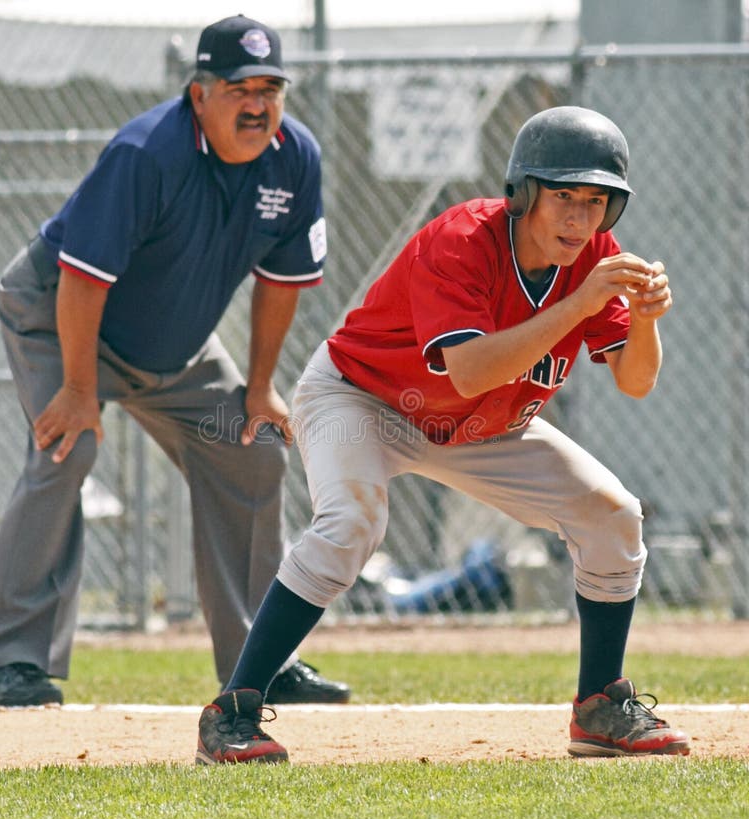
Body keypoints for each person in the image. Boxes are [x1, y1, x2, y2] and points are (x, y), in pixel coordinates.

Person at [195, 105, 691, 764]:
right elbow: (468, 368)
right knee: (351, 524)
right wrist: (581, 303)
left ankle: (600, 705)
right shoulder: (461, 240)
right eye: (563, 195)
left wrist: (647, 319)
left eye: (596, 200)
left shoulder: (591, 256)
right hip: (363, 397)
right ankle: (232, 711)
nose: (579, 217)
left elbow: (635, 380)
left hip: (484, 424)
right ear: (524, 192)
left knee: (613, 514)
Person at [0, 14, 349, 708]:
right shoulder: (148, 153)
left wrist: (260, 389)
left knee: (254, 448)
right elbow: (82, 279)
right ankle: (12, 664)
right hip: (59, 317)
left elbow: (282, 281)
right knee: (69, 447)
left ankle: (258, 659)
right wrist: (80, 391)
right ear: (198, 93)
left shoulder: (295, 158)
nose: (259, 104)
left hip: (174, 351)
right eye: (240, 88)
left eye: (272, 88)